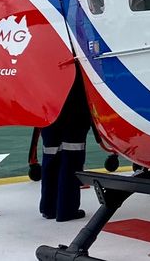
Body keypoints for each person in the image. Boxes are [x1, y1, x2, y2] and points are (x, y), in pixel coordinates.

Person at [39, 81, 90, 222]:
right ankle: (66, 209)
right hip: (73, 98)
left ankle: (49, 207)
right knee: (72, 153)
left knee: (50, 152)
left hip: (47, 100)